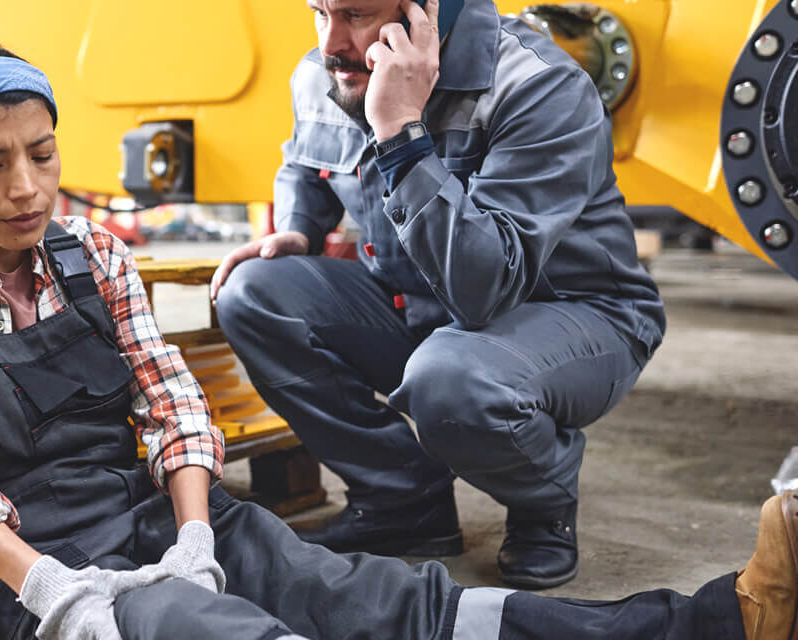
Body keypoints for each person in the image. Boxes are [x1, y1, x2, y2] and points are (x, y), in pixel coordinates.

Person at [0, 36, 792, 640]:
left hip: (167, 523)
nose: (28, 190)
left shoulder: (87, 251)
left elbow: (169, 396)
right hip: (31, 572)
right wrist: (57, 592)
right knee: (225, 629)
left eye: (43, 158)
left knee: (387, 604)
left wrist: (200, 533)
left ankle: (717, 618)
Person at [210, 0, 665, 589]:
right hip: (421, 304)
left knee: (451, 380)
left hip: (574, 314)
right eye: (319, 12)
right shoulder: (327, 68)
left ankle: (543, 501)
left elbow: (485, 289)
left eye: (355, 13)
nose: (331, 41)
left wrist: (401, 132)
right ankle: (404, 501)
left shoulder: (538, 85)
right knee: (252, 293)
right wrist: (298, 227)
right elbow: (304, 161)